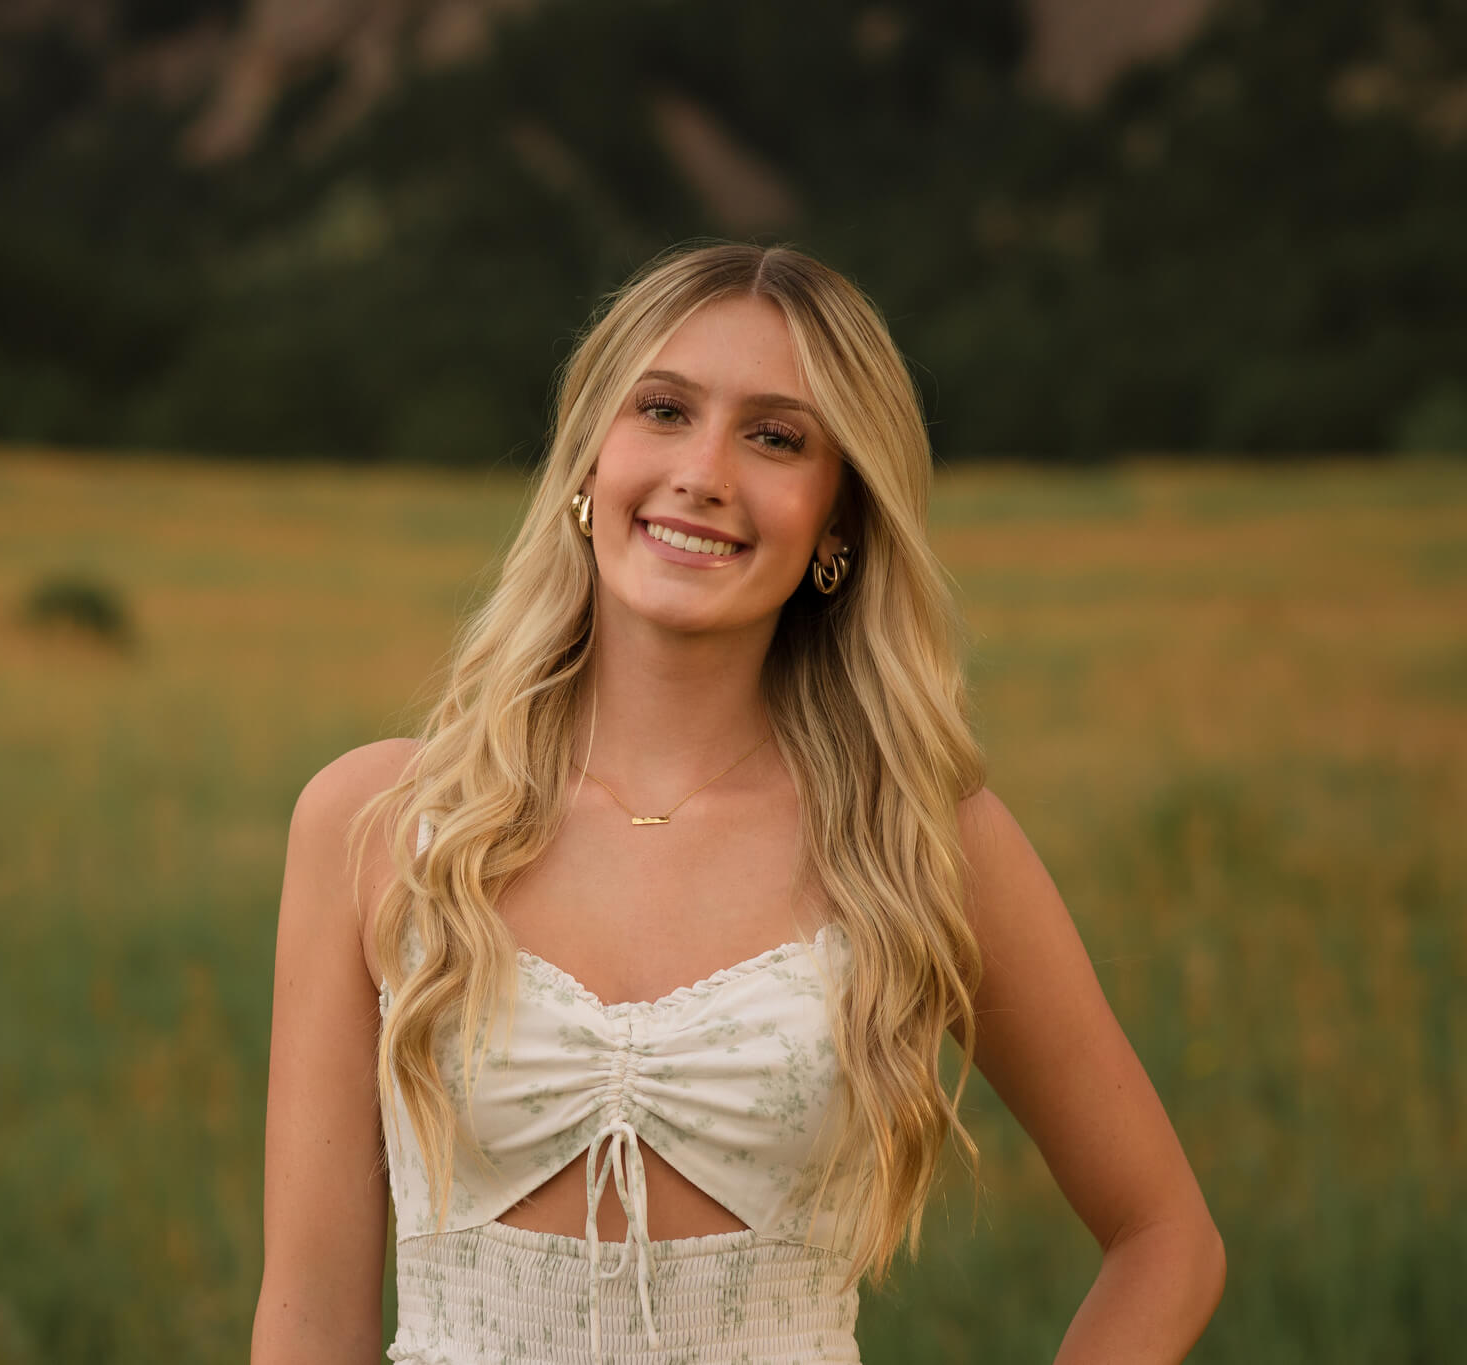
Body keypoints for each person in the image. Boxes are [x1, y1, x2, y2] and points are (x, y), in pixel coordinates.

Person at [253, 242, 1224, 1364]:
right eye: (661, 410)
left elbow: (1164, 1238)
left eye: (773, 437)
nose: (703, 471)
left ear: (837, 523)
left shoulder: (916, 840)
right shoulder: (373, 823)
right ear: (587, 459)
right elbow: (310, 1316)